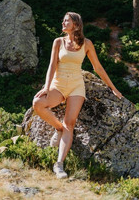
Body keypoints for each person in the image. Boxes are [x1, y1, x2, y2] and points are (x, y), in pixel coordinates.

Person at [33, 11, 123, 179]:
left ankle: (59, 165)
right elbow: (52, 66)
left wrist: (113, 88)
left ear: (75, 24)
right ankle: (58, 128)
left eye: (66, 21)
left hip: (76, 87)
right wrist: (46, 86)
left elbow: (98, 67)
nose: (63, 23)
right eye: (63, 20)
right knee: (38, 103)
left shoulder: (87, 44)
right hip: (58, 85)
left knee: (70, 123)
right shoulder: (58, 42)